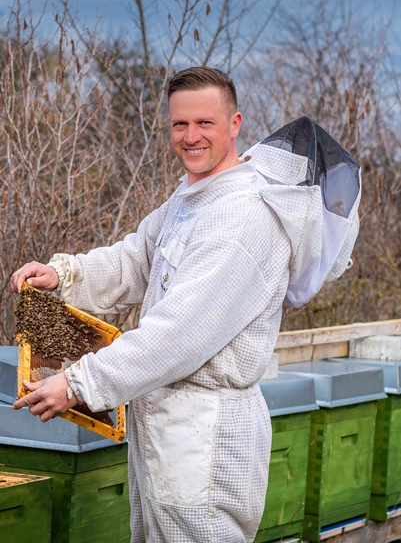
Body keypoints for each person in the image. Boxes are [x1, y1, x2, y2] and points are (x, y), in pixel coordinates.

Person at [11, 66, 291, 543]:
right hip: (167, 426)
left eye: (205, 122)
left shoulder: (241, 220)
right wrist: (64, 275)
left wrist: (79, 383)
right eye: (180, 124)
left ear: (235, 124)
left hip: (205, 437)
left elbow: (174, 336)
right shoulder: (193, 198)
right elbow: (136, 258)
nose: (191, 136)